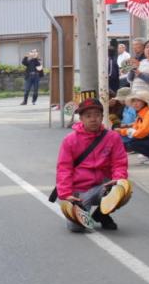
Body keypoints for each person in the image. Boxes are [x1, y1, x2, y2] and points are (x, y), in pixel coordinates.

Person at [55, 98, 131, 233]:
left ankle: (101, 214)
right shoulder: (70, 140)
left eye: (97, 115)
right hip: (79, 190)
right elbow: (64, 169)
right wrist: (66, 194)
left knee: (124, 189)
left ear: (102, 117)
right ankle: (87, 212)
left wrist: (118, 179)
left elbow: (119, 163)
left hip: (102, 186)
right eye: (88, 116)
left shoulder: (113, 137)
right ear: (81, 118)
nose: (93, 119)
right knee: (76, 228)